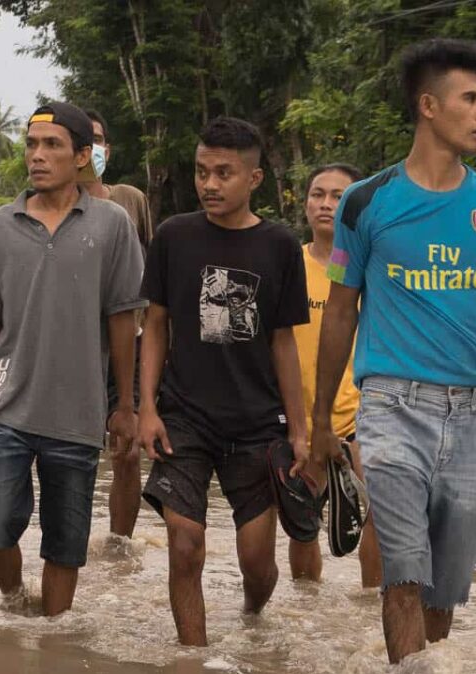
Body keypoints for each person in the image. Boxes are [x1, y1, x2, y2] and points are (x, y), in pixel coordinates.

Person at [311, 39, 476, 665]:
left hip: (475, 416)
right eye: (473, 98)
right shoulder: (366, 201)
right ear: (429, 106)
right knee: (402, 575)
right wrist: (322, 421)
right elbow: (342, 310)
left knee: (442, 594)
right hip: (388, 406)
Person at [0, 102, 145, 616]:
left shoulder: (112, 225)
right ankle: (16, 602)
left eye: (52, 146)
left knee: (65, 543)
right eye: (31, 145)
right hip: (6, 407)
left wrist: (125, 406)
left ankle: (50, 642)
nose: (37, 157)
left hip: (78, 413)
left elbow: (123, 320)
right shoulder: (0, 225)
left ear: (83, 156)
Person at [137, 117, 309, 646]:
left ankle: (253, 617)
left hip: (257, 424)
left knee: (258, 565)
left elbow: (283, 343)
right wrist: (146, 408)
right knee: (185, 544)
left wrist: (299, 431)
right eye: (201, 171)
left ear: (254, 179)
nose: (209, 184)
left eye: (224, 173)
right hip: (184, 418)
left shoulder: (280, 245)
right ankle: (193, 656)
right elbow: (156, 325)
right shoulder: (173, 236)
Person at [288, 163, 383, 588]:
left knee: (381, 514)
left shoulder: (375, 270)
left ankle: (370, 609)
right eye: (317, 194)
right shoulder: (287, 265)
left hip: (361, 417)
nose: (325, 205)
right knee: (302, 527)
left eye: (338, 196)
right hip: (297, 419)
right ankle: (308, 612)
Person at [81, 108, 153, 541]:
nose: (94, 148)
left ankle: (119, 545)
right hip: (76, 346)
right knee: (71, 449)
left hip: (133, 341)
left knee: (126, 450)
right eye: (85, 139)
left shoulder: (130, 200)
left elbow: (149, 272)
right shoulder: (50, 207)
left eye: (100, 139)